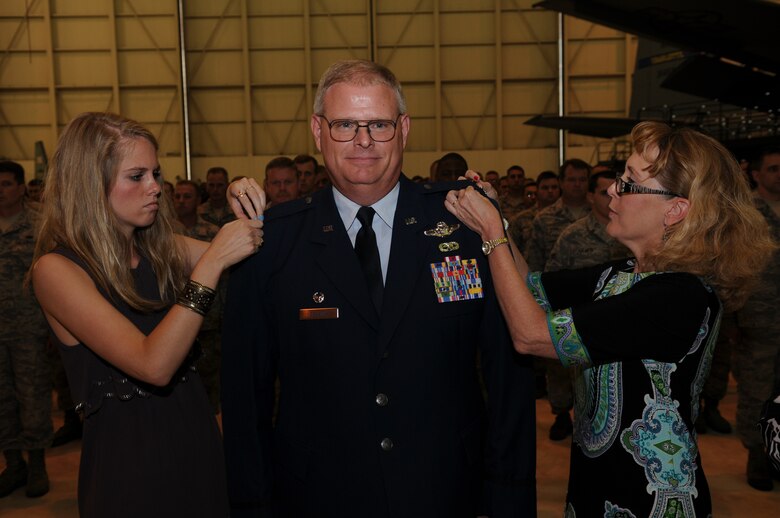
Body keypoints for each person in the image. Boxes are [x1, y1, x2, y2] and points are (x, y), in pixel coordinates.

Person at [221, 59, 536, 518]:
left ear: (404, 129)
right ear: (318, 130)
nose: (363, 141)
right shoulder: (270, 244)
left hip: (447, 491)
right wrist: (252, 503)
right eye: (345, 124)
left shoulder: (465, 225)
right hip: (317, 496)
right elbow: (245, 397)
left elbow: (509, 377)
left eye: (379, 125)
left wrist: (509, 496)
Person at [445, 121, 774, 516]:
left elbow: (531, 335)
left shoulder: (680, 296)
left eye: (631, 182)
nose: (613, 189)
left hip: (648, 499)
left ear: (676, 210)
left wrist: (491, 232)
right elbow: (530, 288)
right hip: (597, 481)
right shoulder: (624, 274)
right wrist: (496, 216)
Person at [30, 112, 264, 517]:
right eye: (136, 176)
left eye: (155, 173)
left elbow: (251, 248)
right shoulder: (56, 271)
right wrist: (209, 266)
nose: (156, 187)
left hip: (197, 443)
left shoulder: (158, 248)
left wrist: (247, 203)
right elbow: (153, 364)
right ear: (90, 185)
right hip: (131, 469)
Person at [0, 161, 51, 498]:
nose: (0, 190)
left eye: (5, 183)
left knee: (32, 396)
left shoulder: (39, 223)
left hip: (30, 328)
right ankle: (13, 463)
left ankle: (36, 464)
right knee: (1, 400)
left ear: (20, 187)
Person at [733, 146, 780, 490]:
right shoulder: (745, 212)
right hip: (758, 317)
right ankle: (757, 454)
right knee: (758, 389)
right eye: (774, 168)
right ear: (757, 174)